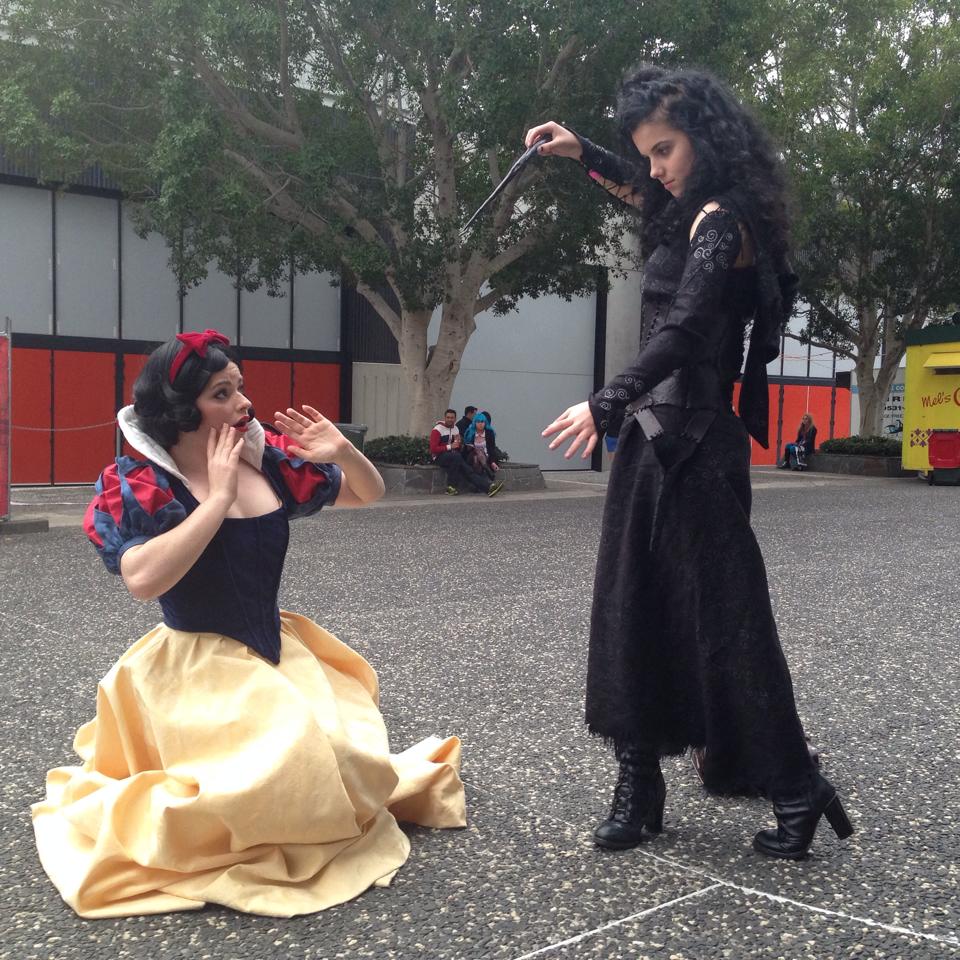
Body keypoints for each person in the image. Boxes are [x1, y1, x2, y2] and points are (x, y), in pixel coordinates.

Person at [531, 64, 853, 860]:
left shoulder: (723, 222)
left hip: (698, 444)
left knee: (730, 621)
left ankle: (796, 785)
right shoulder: (691, 209)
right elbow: (640, 189)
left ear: (706, 139)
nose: (655, 168)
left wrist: (604, 402)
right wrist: (582, 152)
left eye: (665, 149)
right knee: (630, 605)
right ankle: (640, 783)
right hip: (654, 437)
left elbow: (685, 329)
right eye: (648, 153)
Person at [32, 330, 466, 918]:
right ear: (183, 410)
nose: (244, 403)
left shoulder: (268, 464)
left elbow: (368, 493)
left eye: (239, 387)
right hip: (196, 669)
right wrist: (216, 500)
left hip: (275, 650)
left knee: (340, 754)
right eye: (222, 393)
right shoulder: (141, 483)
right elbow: (142, 580)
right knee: (276, 773)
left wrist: (343, 452)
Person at [430, 408, 502, 496]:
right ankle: (452, 486)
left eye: (452, 418)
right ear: (445, 418)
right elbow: (433, 449)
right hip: (439, 456)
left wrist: (460, 445)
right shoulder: (437, 430)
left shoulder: (456, 429)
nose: (450, 420)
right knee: (461, 462)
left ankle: (488, 488)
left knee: (467, 469)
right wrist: (450, 446)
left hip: (454, 457)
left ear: (455, 419)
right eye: (448, 417)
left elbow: (457, 446)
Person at [462, 412, 503, 481]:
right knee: (477, 453)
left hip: (487, 456)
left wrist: (492, 462)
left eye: (482, 422)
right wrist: (469, 447)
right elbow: (466, 448)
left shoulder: (489, 433)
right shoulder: (471, 433)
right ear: (474, 423)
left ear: (485, 423)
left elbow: (492, 449)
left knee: (477, 458)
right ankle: (487, 470)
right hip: (471, 456)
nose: (480, 424)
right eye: (478, 422)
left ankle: (478, 482)